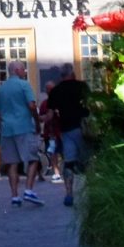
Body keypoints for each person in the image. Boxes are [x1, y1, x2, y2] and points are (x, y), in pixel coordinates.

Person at [0, 66, 41, 205]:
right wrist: (37, 122)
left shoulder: (1, 89)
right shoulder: (24, 84)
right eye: (23, 69)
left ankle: (14, 196)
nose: (25, 71)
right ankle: (28, 190)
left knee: (12, 163)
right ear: (17, 70)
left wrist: (2, 128)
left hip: (7, 129)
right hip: (24, 127)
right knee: (33, 159)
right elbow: (32, 106)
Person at [46, 71, 89, 206]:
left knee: (69, 162)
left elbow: (50, 115)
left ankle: (69, 194)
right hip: (84, 129)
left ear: (61, 77)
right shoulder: (82, 86)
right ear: (73, 75)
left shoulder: (56, 91)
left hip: (66, 130)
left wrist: (40, 122)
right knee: (88, 161)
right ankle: (93, 192)